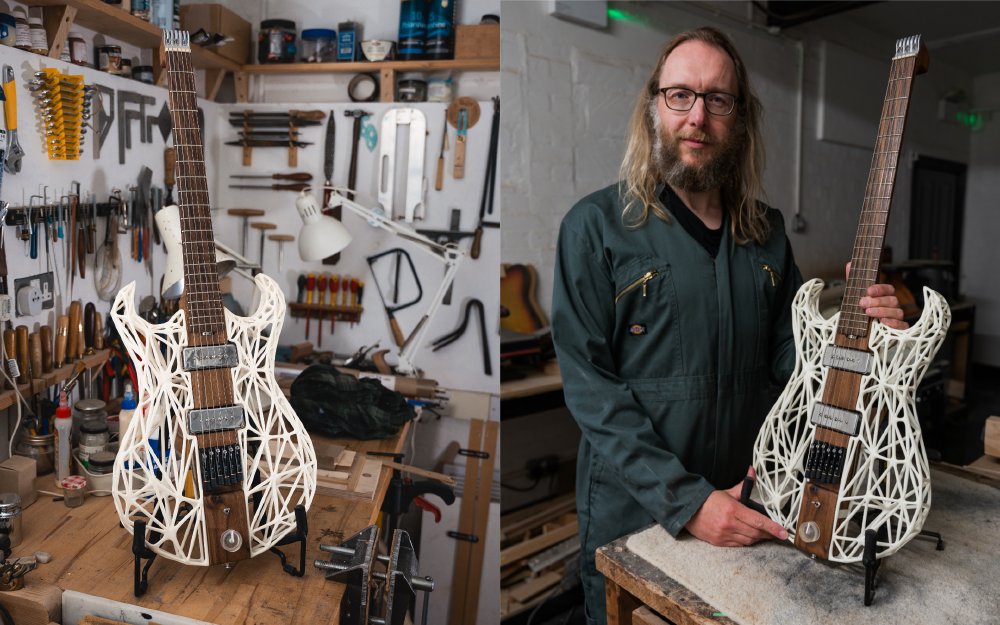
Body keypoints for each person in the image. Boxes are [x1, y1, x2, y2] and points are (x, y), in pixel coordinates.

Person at [550, 26, 907, 625]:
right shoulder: (594, 227)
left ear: (738, 117)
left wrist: (867, 334)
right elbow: (592, 390)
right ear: (654, 106)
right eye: (680, 95)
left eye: (718, 99)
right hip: (638, 509)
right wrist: (688, 502)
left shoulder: (764, 233)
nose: (698, 116)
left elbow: (799, 366)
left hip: (751, 497)